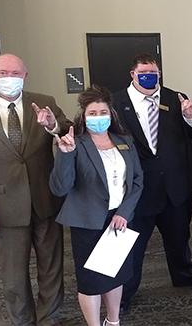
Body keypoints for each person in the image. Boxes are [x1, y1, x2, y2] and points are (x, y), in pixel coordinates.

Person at [0, 53, 70, 325]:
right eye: (3, 73)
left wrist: (52, 126)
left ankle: (49, 319)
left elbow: (68, 129)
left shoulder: (45, 102)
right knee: (13, 276)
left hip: (46, 201)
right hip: (4, 208)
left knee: (52, 269)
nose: (10, 78)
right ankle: (22, 321)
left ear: (25, 76)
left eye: (16, 73)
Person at [111, 53, 192, 310]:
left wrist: (191, 116)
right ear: (132, 74)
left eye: (153, 73)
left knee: (179, 238)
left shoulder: (173, 98)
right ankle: (125, 294)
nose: (149, 77)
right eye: (143, 73)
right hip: (138, 189)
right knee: (133, 246)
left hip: (174, 187)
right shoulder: (115, 102)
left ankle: (185, 275)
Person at [49, 87, 143, 326]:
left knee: (115, 275)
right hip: (87, 221)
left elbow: (137, 181)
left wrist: (123, 212)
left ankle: (113, 321)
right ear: (84, 116)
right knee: (91, 281)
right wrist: (65, 155)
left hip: (120, 220)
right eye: (93, 112)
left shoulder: (125, 141)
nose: (98, 116)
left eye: (103, 111)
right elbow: (60, 188)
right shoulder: (74, 144)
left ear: (111, 114)